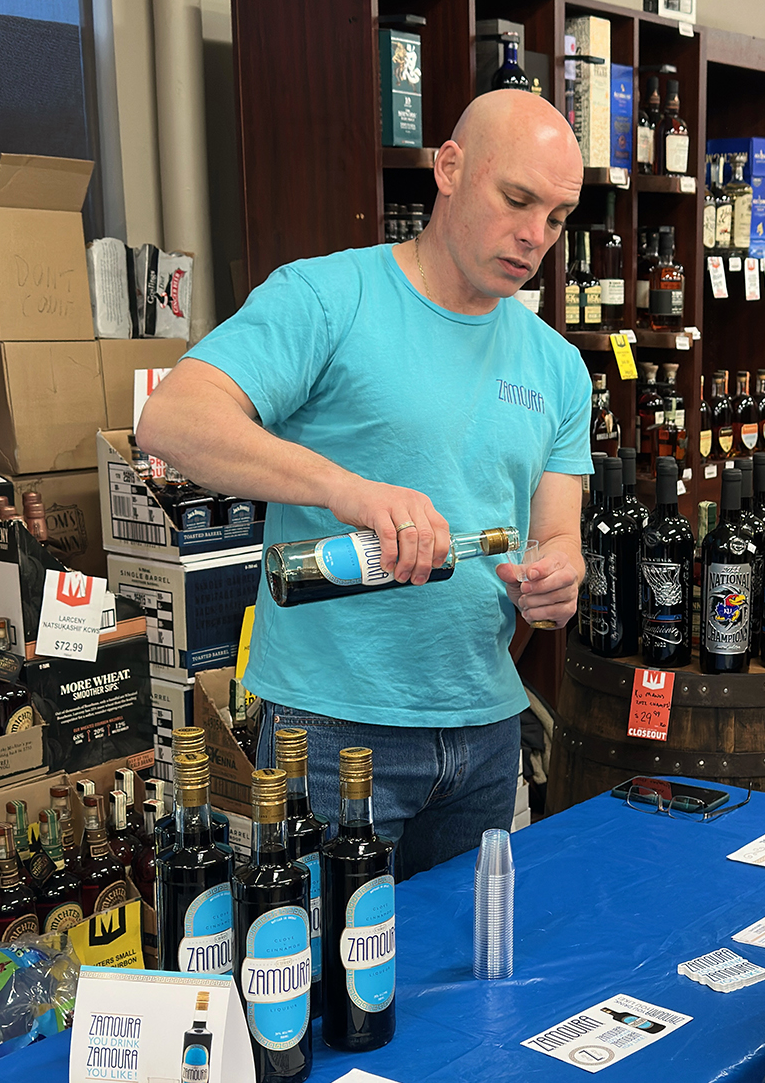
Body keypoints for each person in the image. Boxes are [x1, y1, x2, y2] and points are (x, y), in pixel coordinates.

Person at [136, 90, 590, 880]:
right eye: (516, 199)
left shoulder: (558, 364)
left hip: (486, 729)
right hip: (331, 730)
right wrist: (347, 490)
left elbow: (557, 535)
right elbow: (171, 420)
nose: (534, 235)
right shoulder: (327, 298)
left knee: (467, 953)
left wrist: (559, 577)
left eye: (556, 218)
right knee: (324, 958)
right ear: (449, 168)